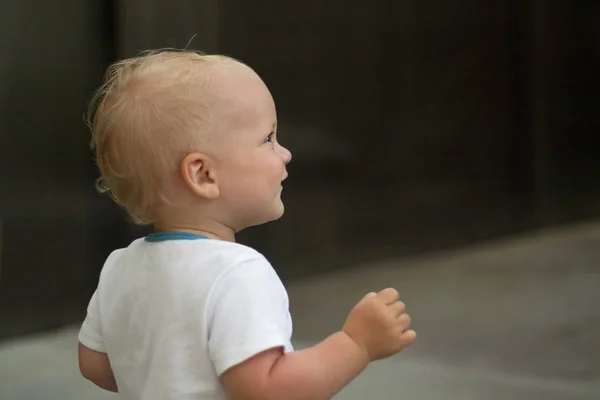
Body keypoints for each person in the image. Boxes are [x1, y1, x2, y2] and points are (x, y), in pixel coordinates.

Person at [78, 49, 416, 399]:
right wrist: (356, 345)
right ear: (204, 174)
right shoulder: (237, 273)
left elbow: (94, 362)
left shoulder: (120, 266)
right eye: (268, 139)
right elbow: (268, 390)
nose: (285, 153)